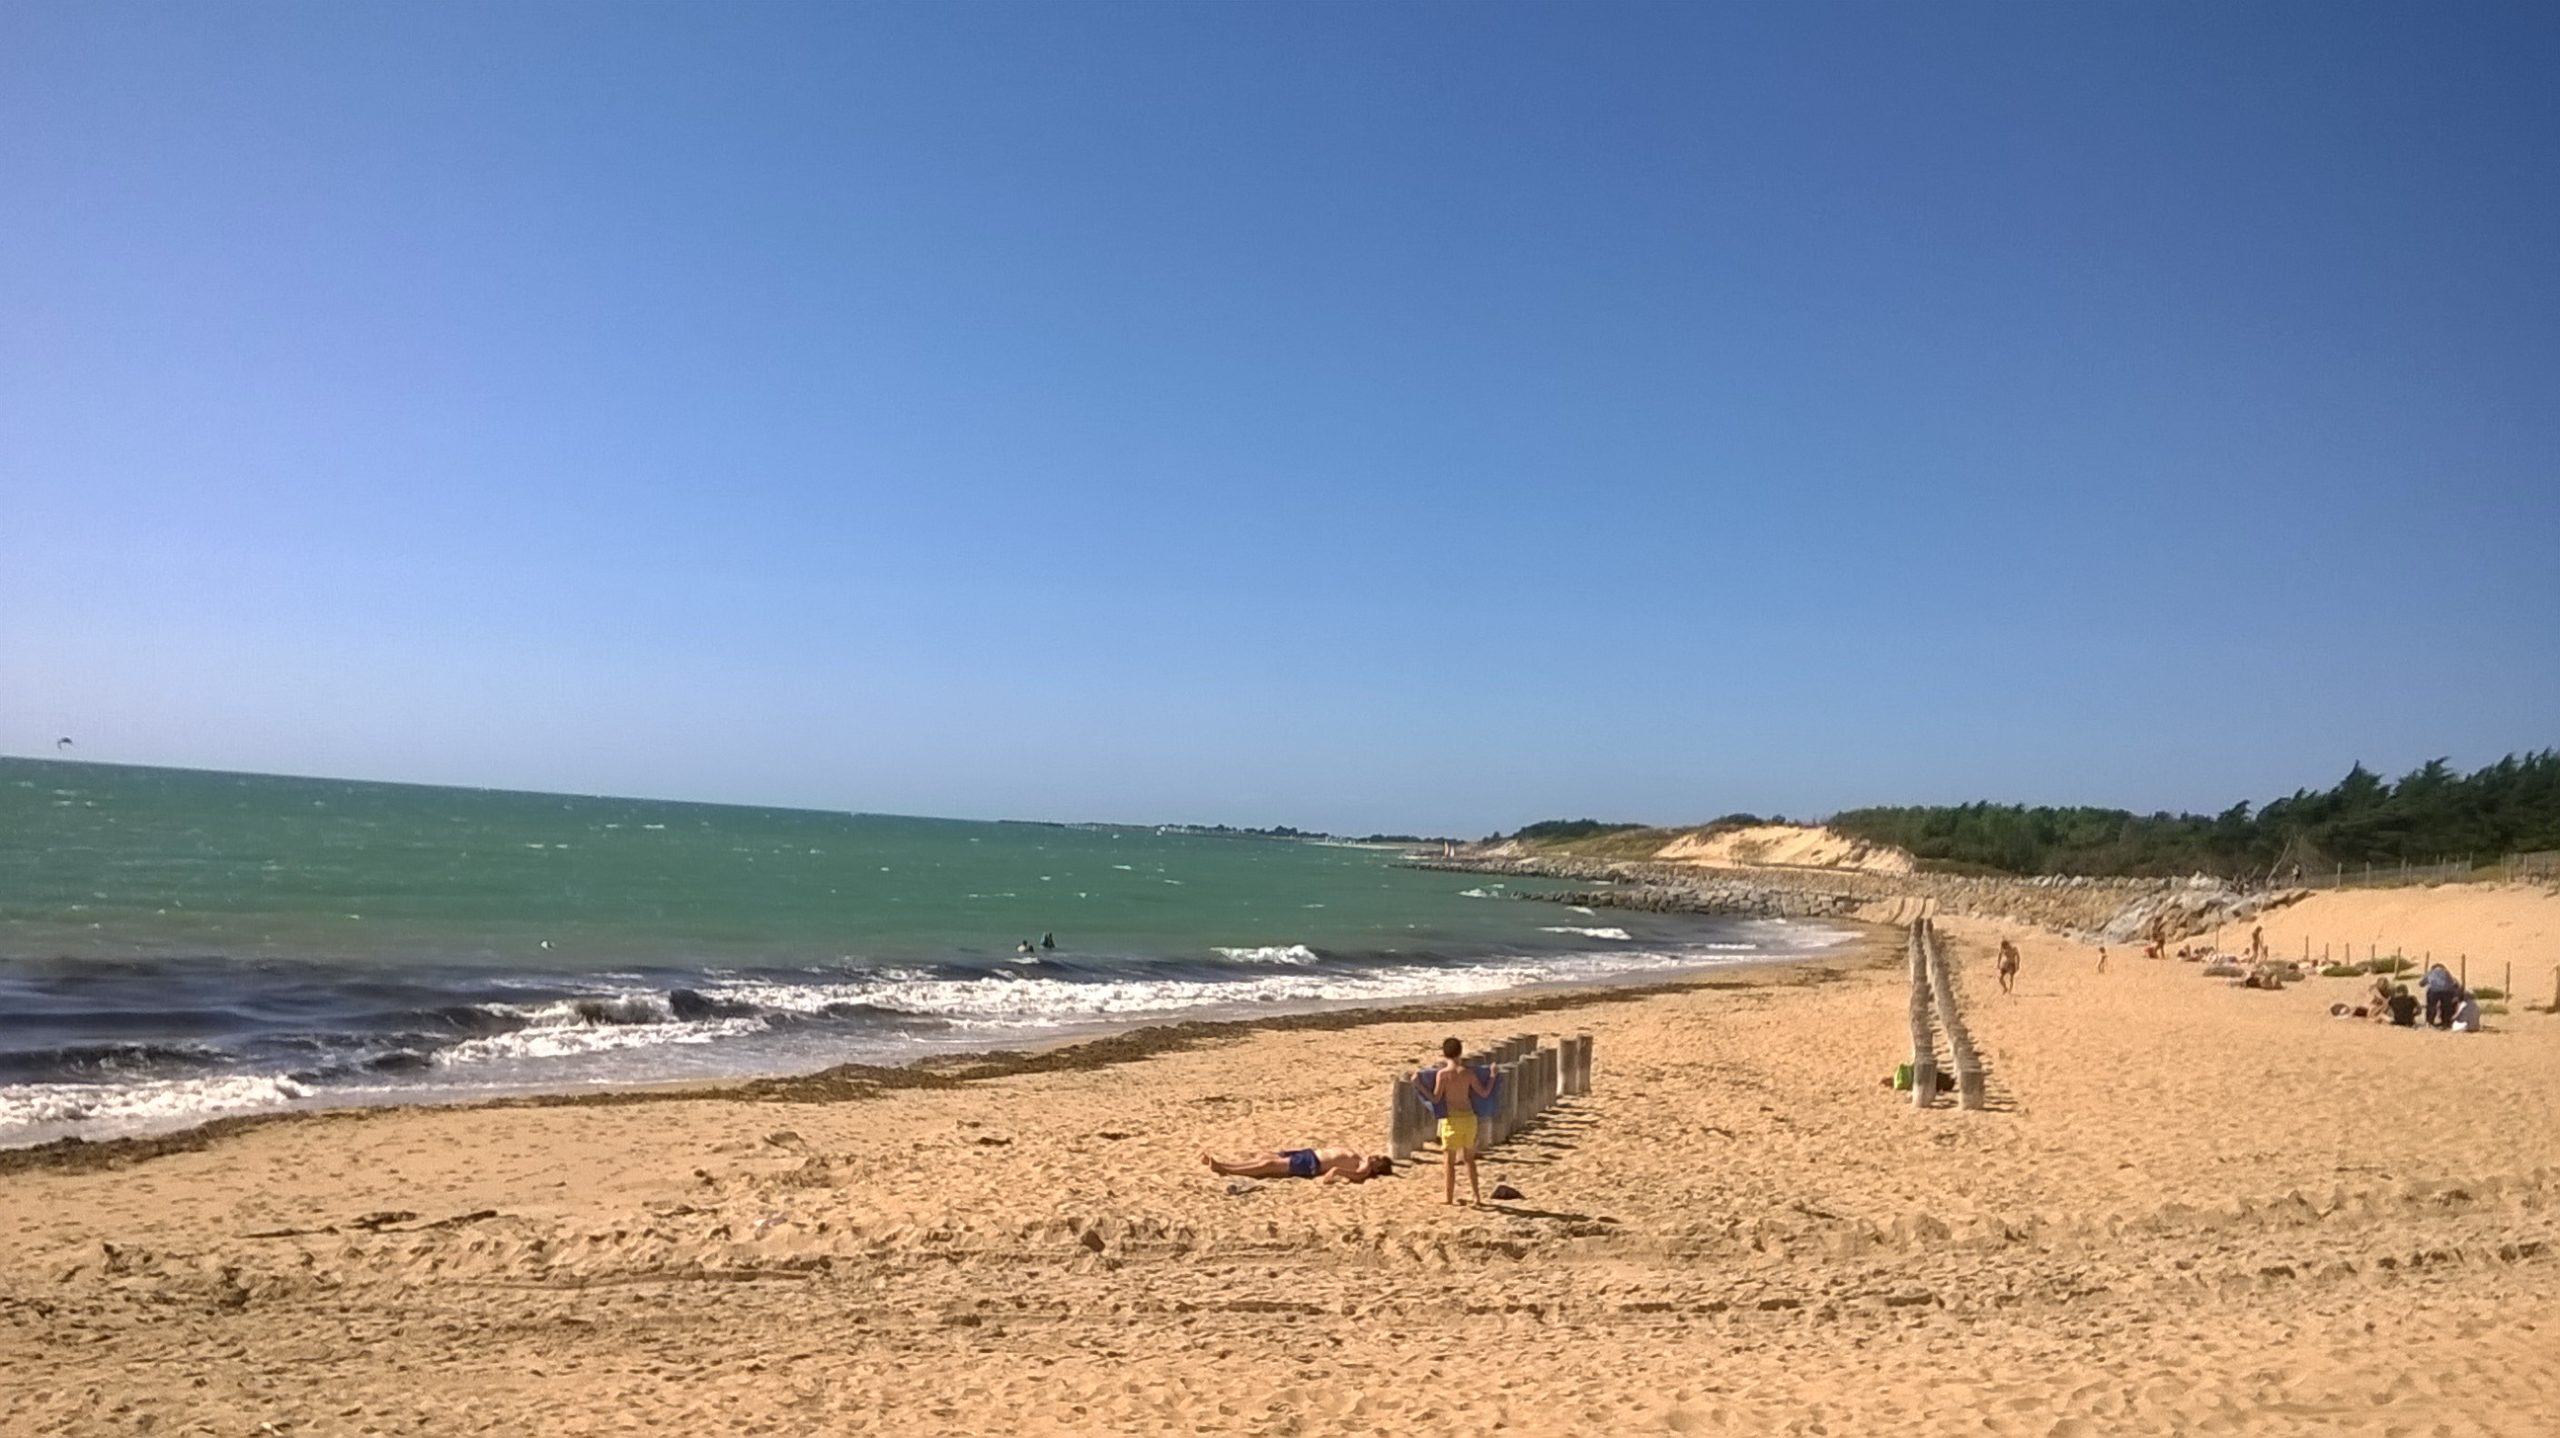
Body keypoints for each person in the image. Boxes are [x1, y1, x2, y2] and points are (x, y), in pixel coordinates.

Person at [1427, 1037, 1491, 1206]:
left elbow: (1435, 1098)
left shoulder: (1443, 1074)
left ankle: (1448, 1197)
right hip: (1469, 1119)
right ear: (1460, 1052)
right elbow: (1484, 1093)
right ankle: (1476, 1196)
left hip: (1452, 1120)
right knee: (1469, 1160)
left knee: (1449, 1162)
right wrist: (1492, 1077)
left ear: (1444, 1054)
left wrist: (1418, 1084)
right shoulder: (1468, 1073)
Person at [1200, 1147, 1389, 1184]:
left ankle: (1223, 1168)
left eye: (1378, 1158)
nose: (1375, 1155)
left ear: (1377, 1166)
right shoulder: (1360, 1157)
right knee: (1265, 1158)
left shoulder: (1363, 1169)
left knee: (1267, 1164)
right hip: (1309, 1154)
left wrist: (1334, 1174)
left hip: (1311, 1163)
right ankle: (1224, 1165)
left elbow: (1338, 1173)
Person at [2421, 964, 2462, 1029]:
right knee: (2446, 1006)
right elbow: (2452, 982)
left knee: (2431, 1006)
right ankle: (2445, 1022)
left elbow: (2421, 983)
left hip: (2434, 991)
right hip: (2447, 991)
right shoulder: (2446, 972)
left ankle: (2429, 1022)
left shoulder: (2431, 972)